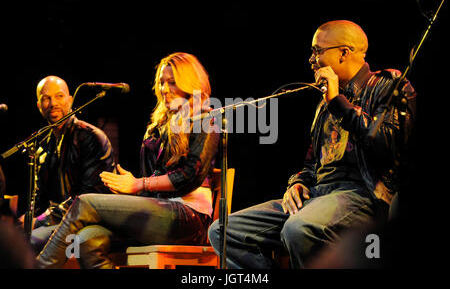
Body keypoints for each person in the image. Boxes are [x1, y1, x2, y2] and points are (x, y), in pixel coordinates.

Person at [208, 20, 416, 268]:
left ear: (343, 53)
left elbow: (386, 144)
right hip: (319, 195)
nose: (311, 59)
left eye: (317, 51)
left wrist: (338, 102)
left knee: (299, 228)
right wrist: (297, 183)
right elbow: (313, 163)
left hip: (362, 195)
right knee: (223, 231)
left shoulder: (389, 85)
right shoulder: (325, 101)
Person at [36, 52, 220, 268]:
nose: (164, 90)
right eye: (161, 83)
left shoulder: (205, 118)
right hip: (159, 212)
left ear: (189, 84)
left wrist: (140, 184)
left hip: (189, 219)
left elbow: (191, 175)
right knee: (87, 239)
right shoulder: (159, 125)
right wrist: (135, 187)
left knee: (85, 202)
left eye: (172, 83)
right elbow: (154, 186)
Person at [23, 75, 115, 252]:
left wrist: (40, 221)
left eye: (59, 96)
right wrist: (27, 220)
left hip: (89, 222)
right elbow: (40, 199)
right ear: (38, 105)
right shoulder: (43, 145)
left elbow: (89, 199)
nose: (53, 103)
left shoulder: (89, 137)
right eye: (46, 98)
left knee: (28, 241)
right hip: (61, 221)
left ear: (71, 100)